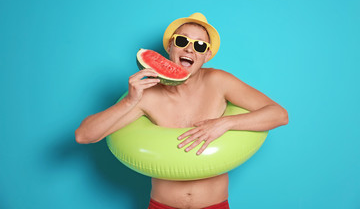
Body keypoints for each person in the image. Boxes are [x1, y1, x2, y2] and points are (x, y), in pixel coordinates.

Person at [75, 13, 289, 209]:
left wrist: (224, 123)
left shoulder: (219, 82)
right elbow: (84, 135)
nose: (189, 49)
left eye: (199, 45)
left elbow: (279, 114)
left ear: (207, 55)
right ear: (170, 46)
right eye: (182, 41)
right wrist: (130, 101)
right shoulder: (148, 96)